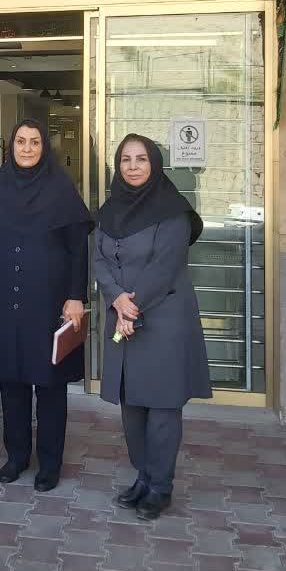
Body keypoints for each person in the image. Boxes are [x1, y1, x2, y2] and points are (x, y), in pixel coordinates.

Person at [92, 133, 210, 521]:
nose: (132, 166)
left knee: (161, 406)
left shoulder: (173, 211)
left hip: (162, 321)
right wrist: (116, 298)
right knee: (132, 405)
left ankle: (160, 486)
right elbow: (98, 259)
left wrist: (132, 307)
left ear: (155, 164)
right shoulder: (110, 209)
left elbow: (166, 266)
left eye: (141, 159)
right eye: (125, 159)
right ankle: (143, 476)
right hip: (123, 316)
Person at [0, 120, 91, 492]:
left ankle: (50, 463)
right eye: (21, 141)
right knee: (12, 382)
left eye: (34, 142)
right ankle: (17, 456)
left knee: (50, 385)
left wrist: (76, 296)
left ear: (44, 147)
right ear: (11, 146)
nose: (27, 148)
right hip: (4, 300)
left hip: (50, 301)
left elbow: (78, 248)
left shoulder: (61, 189)